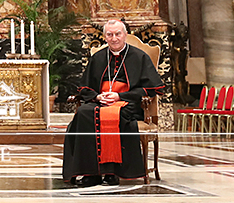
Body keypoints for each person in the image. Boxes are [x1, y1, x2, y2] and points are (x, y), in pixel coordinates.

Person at [62, 19, 163, 186]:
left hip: (127, 103)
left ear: (125, 35)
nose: (114, 38)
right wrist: (97, 97)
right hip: (101, 101)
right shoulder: (98, 57)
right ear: (105, 37)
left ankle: (112, 172)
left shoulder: (139, 57)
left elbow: (152, 89)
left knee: (117, 115)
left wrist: (119, 97)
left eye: (118, 34)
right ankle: (91, 173)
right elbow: (85, 87)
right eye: (110, 35)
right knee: (83, 113)